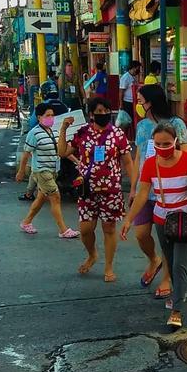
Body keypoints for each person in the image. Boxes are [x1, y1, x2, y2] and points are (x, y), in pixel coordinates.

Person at [121, 122, 187, 329]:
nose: (162, 147)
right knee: (171, 260)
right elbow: (142, 194)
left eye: (167, 143)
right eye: (158, 143)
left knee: (178, 265)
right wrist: (129, 219)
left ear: (175, 141)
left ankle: (176, 310)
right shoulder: (149, 164)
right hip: (162, 221)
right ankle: (179, 294)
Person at [58, 97, 135, 283]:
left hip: (111, 190)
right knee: (85, 229)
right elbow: (63, 152)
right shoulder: (82, 133)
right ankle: (92, 254)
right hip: (87, 189)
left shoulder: (117, 134)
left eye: (105, 111)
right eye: (98, 112)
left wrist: (134, 187)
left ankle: (109, 266)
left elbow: (128, 162)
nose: (103, 115)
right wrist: (63, 129)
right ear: (91, 114)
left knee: (109, 229)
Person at [130, 84, 187, 300]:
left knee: (167, 239)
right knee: (141, 234)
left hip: (171, 192)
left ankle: (166, 278)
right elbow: (139, 158)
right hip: (146, 190)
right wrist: (134, 186)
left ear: (151, 102)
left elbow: (186, 156)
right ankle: (154, 259)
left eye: (140, 100)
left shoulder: (176, 124)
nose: (138, 103)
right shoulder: (143, 126)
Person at [16, 103, 79, 239]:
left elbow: (63, 151)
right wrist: (21, 172)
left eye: (52, 115)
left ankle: (26, 222)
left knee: (40, 198)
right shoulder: (34, 133)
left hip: (52, 170)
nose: (51, 118)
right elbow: (26, 153)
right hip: (41, 171)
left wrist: (78, 162)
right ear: (39, 117)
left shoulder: (54, 131)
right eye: (47, 115)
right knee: (55, 197)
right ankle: (63, 229)